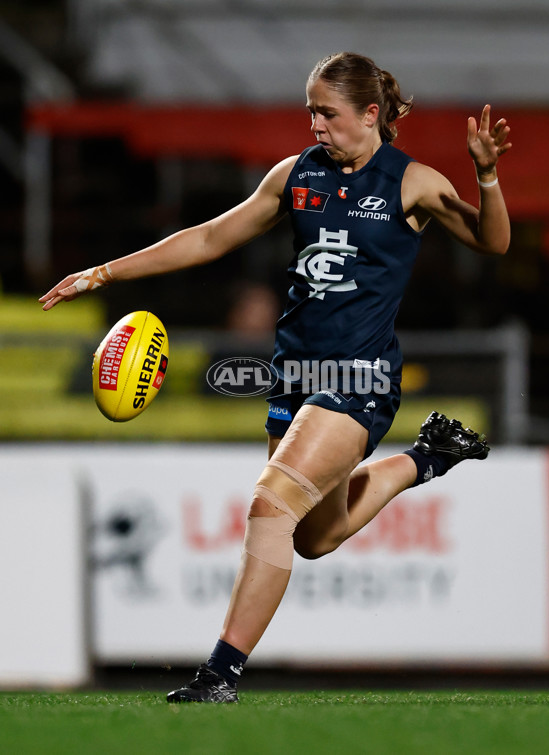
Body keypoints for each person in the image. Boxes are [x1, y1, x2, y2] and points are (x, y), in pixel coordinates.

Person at [40, 52, 512, 703]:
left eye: (328, 111)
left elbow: (493, 242)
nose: (315, 123)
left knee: (270, 505)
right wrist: (104, 272)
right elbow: (209, 237)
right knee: (316, 535)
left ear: (370, 113)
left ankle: (220, 672)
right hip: (294, 378)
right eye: (310, 110)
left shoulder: (412, 183)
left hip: (358, 379)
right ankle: (427, 457)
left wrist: (486, 176)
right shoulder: (297, 175)